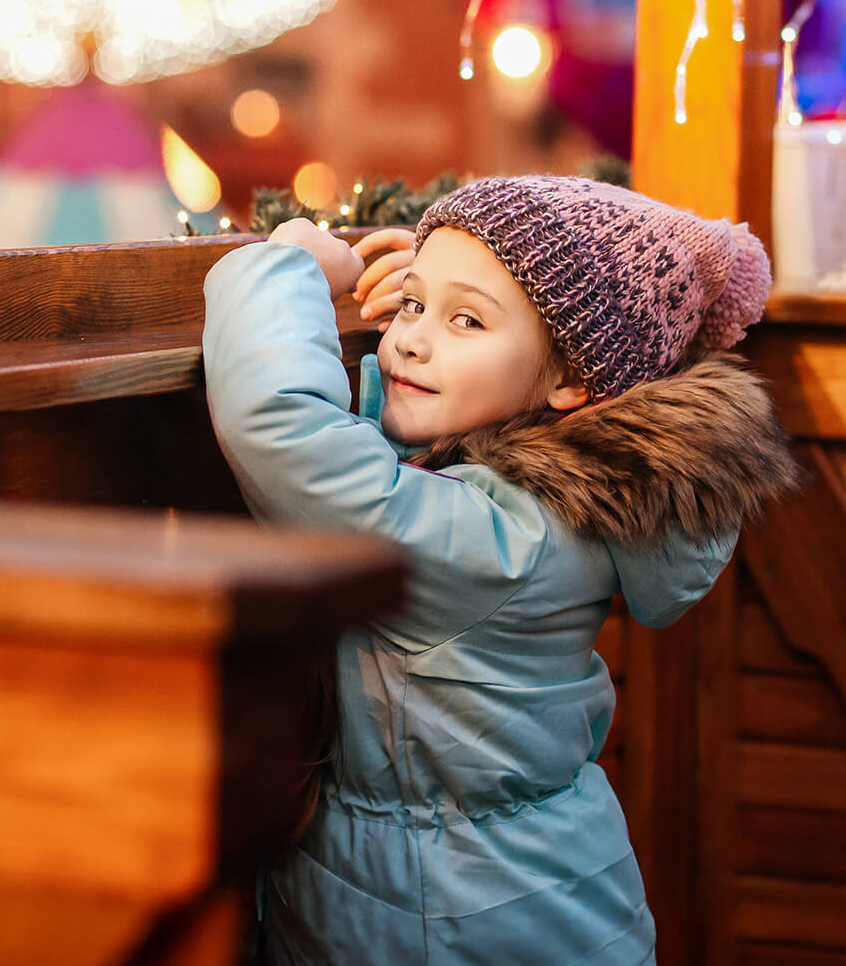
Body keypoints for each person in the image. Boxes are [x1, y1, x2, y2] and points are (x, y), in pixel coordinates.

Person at [202, 176, 799, 964]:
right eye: (411, 307)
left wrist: (288, 265)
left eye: (467, 320)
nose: (412, 339)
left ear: (572, 384)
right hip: (481, 899)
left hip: (453, 915)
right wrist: (438, 299)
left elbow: (286, 438)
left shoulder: (504, 541)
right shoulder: (513, 503)